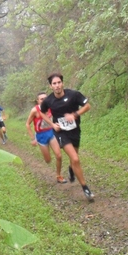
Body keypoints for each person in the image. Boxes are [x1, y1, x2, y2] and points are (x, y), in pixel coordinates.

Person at [39, 72, 94, 201]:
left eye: (59, 82)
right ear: (50, 86)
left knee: (74, 158)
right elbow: (42, 113)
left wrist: (75, 114)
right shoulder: (49, 100)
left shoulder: (73, 95)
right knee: (75, 159)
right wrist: (53, 124)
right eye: (54, 83)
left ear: (62, 83)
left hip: (75, 131)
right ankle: (85, 188)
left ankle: (71, 169)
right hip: (61, 133)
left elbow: (87, 106)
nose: (57, 86)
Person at [26, 92, 67, 184]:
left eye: (46, 98)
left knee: (59, 155)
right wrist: (33, 138)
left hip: (51, 133)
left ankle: (58, 176)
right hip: (41, 136)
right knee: (48, 160)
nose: (44, 100)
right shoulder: (34, 110)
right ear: (38, 101)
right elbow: (27, 124)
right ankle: (46, 154)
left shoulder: (51, 107)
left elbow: (54, 118)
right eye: (41, 99)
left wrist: (56, 124)